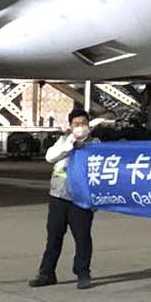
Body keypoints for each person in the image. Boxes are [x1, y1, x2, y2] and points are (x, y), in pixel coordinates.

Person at [31, 108, 99, 290]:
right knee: (54, 236)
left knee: (82, 237)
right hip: (59, 196)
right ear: (70, 126)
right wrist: (71, 143)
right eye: (76, 124)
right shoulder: (63, 141)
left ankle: (83, 273)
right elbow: (50, 157)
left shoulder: (95, 144)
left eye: (83, 124)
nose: (80, 127)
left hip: (81, 198)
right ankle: (47, 273)